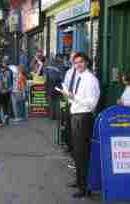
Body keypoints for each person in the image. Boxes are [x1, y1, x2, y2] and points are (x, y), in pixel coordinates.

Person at [61, 52, 100, 198]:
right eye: (76, 62)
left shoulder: (91, 80)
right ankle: (79, 181)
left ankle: (85, 187)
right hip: (76, 115)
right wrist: (69, 96)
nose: (78, 65)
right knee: (76, 152)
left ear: (87, 63)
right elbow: (78, 100)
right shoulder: (80, 77)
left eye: (81, 62)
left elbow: (91, 104)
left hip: (83, 118)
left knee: (82, 153)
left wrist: (74, 97)